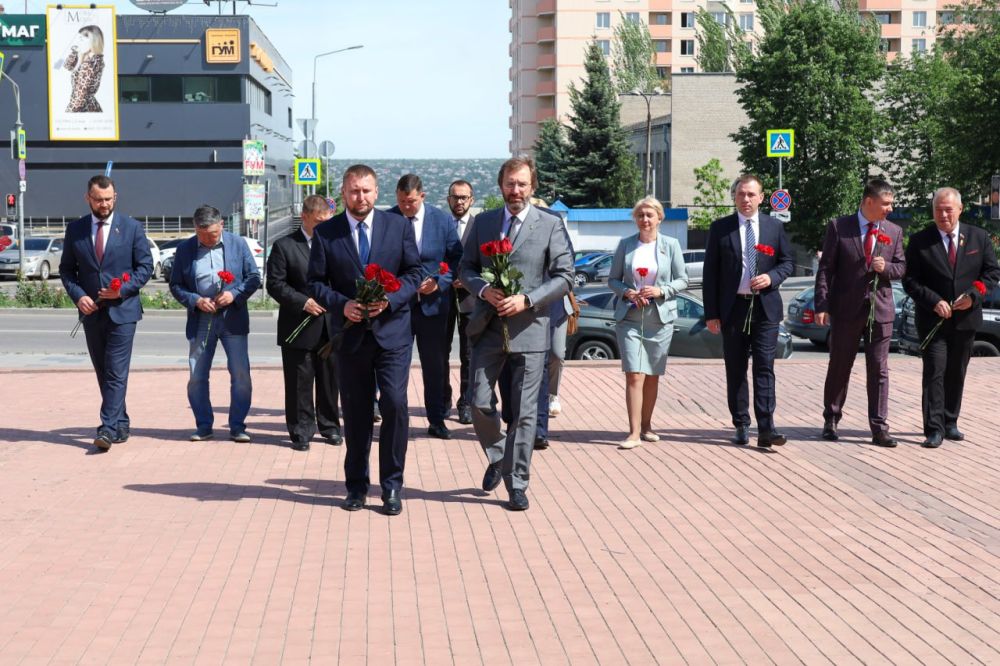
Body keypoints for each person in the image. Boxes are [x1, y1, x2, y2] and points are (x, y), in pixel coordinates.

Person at [459, 157, 574, 511]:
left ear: (532, 187)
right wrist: (482, 290)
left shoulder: (550, 225)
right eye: (510, 183)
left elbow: (565, 276)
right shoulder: (484, 222)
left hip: (531, 329)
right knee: (478, 402)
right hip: (488, 328)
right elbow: (465, 267)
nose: (516, 190)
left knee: (524, 415)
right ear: (501, 186)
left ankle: (517, 482)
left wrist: (529, 299)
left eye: (522, 184)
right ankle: (498, 455)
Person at [308, 164, 422, 515]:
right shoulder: (326, 233)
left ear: (377, 192)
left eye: (367, 190)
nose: (361, 197)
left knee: (394, 404)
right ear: (343, 193)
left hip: (393, 334)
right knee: (356, 414)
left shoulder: (398, 226)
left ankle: (391, 486)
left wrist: (391, 299)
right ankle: (356, 486)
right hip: (350, 336)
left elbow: (415, 272)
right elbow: (315, 282)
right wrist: (342, 306)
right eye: (354, 191)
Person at [60, 175, 153, 451]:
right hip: (91, 313)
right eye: (99, 199)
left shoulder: (132, 228)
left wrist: (122, 289)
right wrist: (79, 297)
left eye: (109, 199)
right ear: (88, 198)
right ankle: (121, 422)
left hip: (123, 311)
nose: (104, 204)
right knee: (103, 370)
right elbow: (67, 270)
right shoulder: (75, 229)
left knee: (115, 370)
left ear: (116, 197)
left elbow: (145, 268)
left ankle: (107, 428)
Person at [902, 187, 1000, 448]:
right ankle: (933, 429)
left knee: (957, 371)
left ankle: (950, 421)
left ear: (960, 209)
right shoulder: (921, 240)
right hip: (933, 321)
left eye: (948, 209)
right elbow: (910, 281)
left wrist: (973, 295)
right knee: (934, 372)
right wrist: (934, 301)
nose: (943, 214)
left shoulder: (978, 238)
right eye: (938, 209)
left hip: (965, 320)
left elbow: (991, 274)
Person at [703, 174, 795, 449]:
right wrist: (711, 313)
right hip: (734, 309)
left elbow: (788, 262)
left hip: (766, 308)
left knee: (765, 367)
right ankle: (741, 423)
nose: (746, 199)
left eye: (751, 195)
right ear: (734, 197)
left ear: (761, 198)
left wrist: (772, 277)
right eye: (741, 194)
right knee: (736, 368)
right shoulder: (721, 228)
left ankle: (766, 427)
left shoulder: (774, 227)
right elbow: (711, 273)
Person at [814, 179, 906, 447]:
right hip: (846, 310)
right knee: (840, 365)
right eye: (886, 203)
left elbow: (901, 267)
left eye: (891, 203)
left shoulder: (894, 231)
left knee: (879, 369)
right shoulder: (839, 227)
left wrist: (885, 267)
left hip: (880, 310)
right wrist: (822, 304)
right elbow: (826, 270)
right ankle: (831, 419)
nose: (890, 208)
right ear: (869, 201)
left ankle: (879, 428)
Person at [169, 205, 261, 443]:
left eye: (211, 234)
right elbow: (176, 285)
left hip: (233, 319)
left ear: (221, 225)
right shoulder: (185, 249)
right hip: (201, 319)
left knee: (241, 374)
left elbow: (253, 277)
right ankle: (203, 425)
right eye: (202, 235)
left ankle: (238, 426)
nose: (207, 239)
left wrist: (234, 294)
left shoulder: (238, 244)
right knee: (197, 375)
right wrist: (195, 300)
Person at [607, 196, 689, 449]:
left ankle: (646, 426)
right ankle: (632, 433)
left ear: (659, 218)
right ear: (635, 218)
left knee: (652, 375)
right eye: (640, 215)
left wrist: (661, 291)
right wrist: (627, 292)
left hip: (659, 319)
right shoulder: (625, 245)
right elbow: (613, 280)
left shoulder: (671, 245)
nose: (645, 220)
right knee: (634, 374)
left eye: (649, 215)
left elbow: (683, 280)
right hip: (629, 318)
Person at [388, 174, 462, 439]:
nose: (406, 207)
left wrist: (440, 282)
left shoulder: (441, 221)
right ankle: (395, 420)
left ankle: (437, 419)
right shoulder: (389, 219)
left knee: (435, 366)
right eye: (401, 202)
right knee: (396, 366)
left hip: (434, 307)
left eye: (410, 202)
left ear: (422, 196)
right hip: (399, 307)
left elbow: (457, 259)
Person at [266, 194, 342, 451]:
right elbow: (275, 284)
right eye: (319, 222)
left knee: (331, 380)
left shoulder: (335, 243)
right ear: (305, 217)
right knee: (299, 381)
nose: (324, 227)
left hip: (331, 325)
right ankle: (301, 431)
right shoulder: (284, 246)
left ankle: (330, 426)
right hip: (298, 324)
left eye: (327, 221)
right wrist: (302, 302)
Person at [445, 180, 477, 425]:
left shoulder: (479, 226)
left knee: (469, 355)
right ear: (448, 199)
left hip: (470, 300)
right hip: (441, 299)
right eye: (455, 197)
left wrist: (468, 282)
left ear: (471, 200)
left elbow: (486, 263)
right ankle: (442, 400)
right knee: (439, 354)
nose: (459, 202)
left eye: (464, 197)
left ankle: (466, 402)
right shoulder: (440, 224)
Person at [64, 25, 105, 113]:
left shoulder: (91, 64)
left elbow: (80, 95)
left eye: (82, 39)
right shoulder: (88, 59)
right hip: (86, 108)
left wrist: (68, 114)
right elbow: (67, 66)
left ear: (93, 42)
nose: (78, 42)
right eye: (78, 39)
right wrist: (78, 56)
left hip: (84, 109)